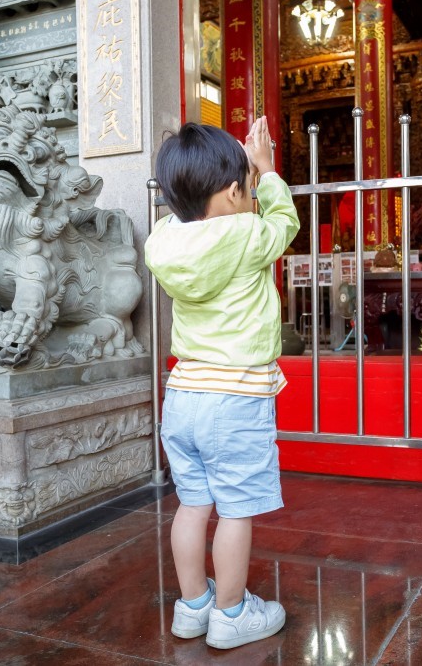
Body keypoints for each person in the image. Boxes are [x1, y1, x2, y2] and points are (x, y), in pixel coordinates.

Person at [145, 116, 299, 650]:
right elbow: (286, 223)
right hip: (235, 400)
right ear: (236, 192)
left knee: (193, 504)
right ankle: (232, 613)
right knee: (235, 510)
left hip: (182, 396)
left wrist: (241, 178)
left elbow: (201, 214)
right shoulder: (249, 233)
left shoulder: (164, 240)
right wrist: (267, 171)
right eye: (244, 189)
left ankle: (192, 606)